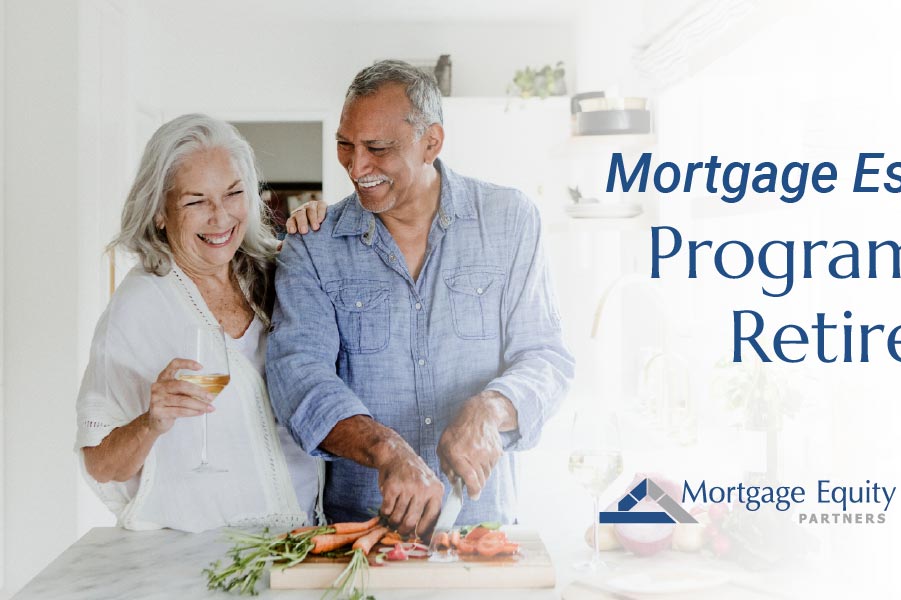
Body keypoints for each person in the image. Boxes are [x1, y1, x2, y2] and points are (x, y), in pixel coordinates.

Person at [267, 60, 574, 536]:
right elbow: (299, 379)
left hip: (483, 531)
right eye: (345, 146)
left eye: (378, 148)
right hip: (363, 536)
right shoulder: (313, 244)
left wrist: (490, 409)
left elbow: (546, 357)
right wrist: (386, 449)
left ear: (431, 142)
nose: (356, 167)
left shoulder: (510, 220)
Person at [75, 114, 328, 532]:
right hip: (205, 557)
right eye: (196, 201)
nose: (220, 217)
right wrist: (150, 422)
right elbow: (101, 464)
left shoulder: (275, 273)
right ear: (160, 212)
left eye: (233, 194)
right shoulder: (139, 307)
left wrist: (321, 229)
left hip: (304, 539)